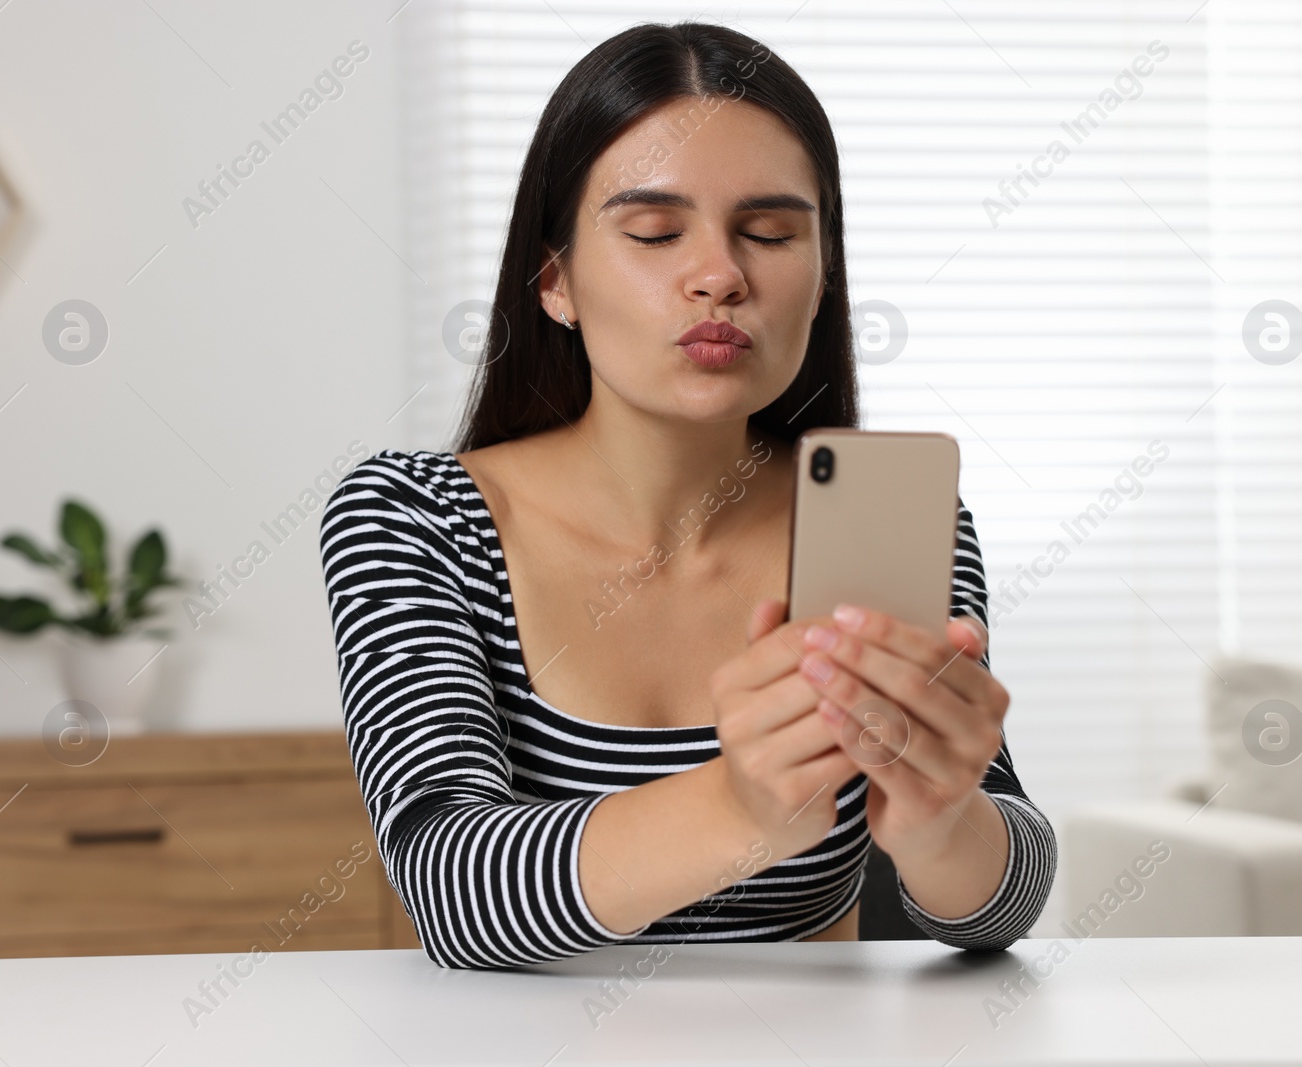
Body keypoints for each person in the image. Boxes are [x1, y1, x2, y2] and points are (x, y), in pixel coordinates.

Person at [319, 20, 1055, 970]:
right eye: (655, 232)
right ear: (555, 282)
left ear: (823, 274)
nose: (721, 276)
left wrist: (941, 822)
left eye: (770, 232)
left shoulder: (892, 522)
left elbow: (1002, 904)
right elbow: (446, 885)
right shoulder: (416, 516)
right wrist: (736, 807)